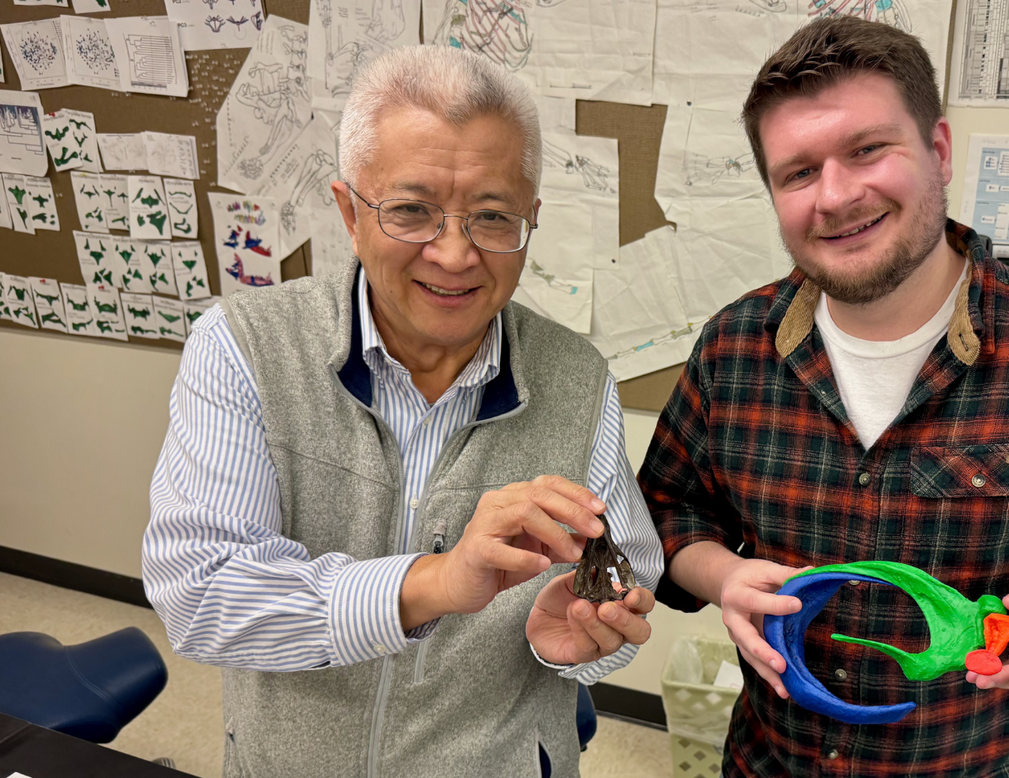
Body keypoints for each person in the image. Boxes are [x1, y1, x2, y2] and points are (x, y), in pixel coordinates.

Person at [640, 16, 1009, 777]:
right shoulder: (734, 349)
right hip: (774, 759)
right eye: (798, 172)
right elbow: (662, 513)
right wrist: (721, 575)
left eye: (868, 150)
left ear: (939, 151)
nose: (835, 195)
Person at [143, 46, 662, 778]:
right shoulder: (244, 347)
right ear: (350, 213)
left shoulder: (577, 378)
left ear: (530, 221)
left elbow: (628, 577)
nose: (453, 255)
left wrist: (570, 633)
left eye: (491, 217)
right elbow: (202, 593)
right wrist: (433, 584)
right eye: (412, 211)